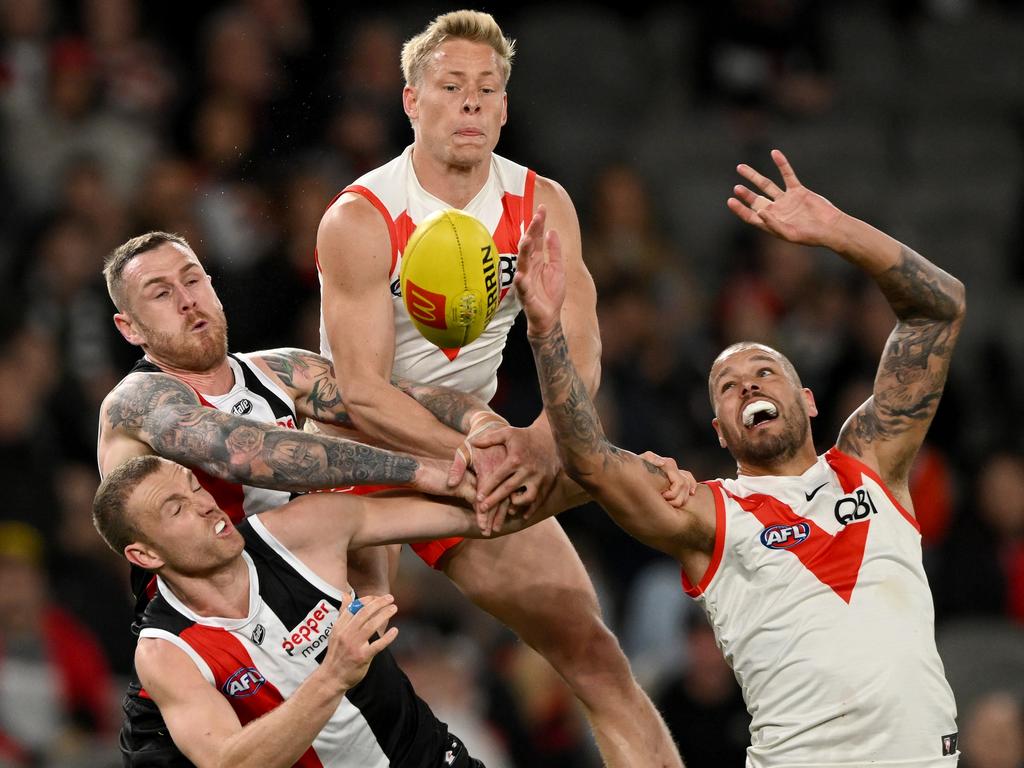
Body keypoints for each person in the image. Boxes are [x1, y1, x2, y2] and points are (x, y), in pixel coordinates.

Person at [513, 149, 966, 767]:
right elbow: (589, 459)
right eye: (728, 386)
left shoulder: (873, 462)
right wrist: (545, 331)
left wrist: (838, 232)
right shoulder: (708, 513)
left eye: (764, 371)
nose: (748, 385)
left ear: (808, 401)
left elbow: (939, 309)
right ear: (720, 433)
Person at [314, 10, 682, 766]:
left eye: (487, 88)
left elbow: (581, 339)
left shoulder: (540, 205)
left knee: (595, 655)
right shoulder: (362, 216)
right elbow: (360, 392)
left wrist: (544, 436)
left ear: (506, 108)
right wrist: (474, 451)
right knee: (353, 691)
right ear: (413, 101)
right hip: (361, 461)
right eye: (452, 86)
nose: (472, 103)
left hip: (477, 451)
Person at [98, 231, 506, 764]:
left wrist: (484, 427)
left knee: (371, 423)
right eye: (160, 293)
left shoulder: (278, 370)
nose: (186, 299)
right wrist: (425, 470)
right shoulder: (138, 400)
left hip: (299, 610)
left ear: (214, 288)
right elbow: (248, 454)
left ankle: (370, 595)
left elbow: (388, 399)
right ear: (129, 328)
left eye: (193, 279)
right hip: (207, 648)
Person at [91, 454, 585, 768]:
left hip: (430, 758)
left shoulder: (303, 529)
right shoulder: (165, 652)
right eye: (175, 509)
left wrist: (600, 477)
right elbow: (228, 763)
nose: (203, 505)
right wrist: (334, 676)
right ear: (146, 556)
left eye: (194, 487)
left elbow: (476, 513)